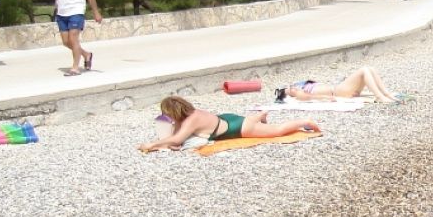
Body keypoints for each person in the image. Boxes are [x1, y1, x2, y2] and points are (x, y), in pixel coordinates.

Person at [139, 95, 321, 152]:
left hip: (238, 128)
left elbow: (177, 139)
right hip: (228, 119)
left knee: (278, 131)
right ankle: (260, 116)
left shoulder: (191, 120)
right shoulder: (192, 114)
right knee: (251, 122)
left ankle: (305, 121)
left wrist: (153, 144)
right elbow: (175, 138)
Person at [281, 66, 401, 104]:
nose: (293, 87)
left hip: (341, 90)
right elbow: (310, 98)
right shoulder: (300, 94)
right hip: (339, 91)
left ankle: (386, 94)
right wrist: (327, 98)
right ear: (289, 95)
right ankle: (381, 96)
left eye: (291, 86)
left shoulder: (304, 87)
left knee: (369, 69)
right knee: (364, 70)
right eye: (290, 89)